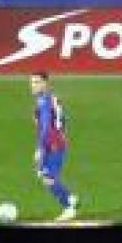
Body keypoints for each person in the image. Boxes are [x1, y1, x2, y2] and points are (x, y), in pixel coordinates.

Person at [29, 72, 79, 222]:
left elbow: (45, 128)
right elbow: (62, 120)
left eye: (37, 82)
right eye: (32, 82)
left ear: (45, 83)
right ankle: (70, 198)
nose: (33, 85)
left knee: (48, 177)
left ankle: (69, 208)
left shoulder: (44, 102)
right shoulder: (51, 99)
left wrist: (40, 148)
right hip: (55, 142)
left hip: (52, 145)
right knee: (44, 175)